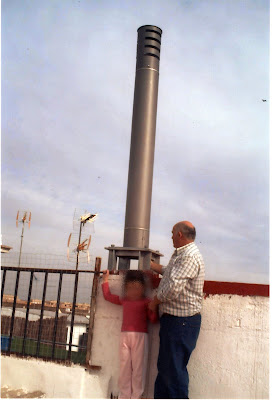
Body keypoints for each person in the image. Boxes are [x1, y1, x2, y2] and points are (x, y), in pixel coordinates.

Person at [148, 221, 205, 399]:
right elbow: (172, 273)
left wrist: (154, 302)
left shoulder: (188, 256)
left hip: (181, 323)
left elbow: (172, 288)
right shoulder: (183, 255)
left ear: (180, 234)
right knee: (167, 370)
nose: (171, 236)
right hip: (177, 322)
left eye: (172, 232)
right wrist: (152, 265)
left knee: (172, 373)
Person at [102, 269, 158, 399]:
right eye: (130, 288)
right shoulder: (124, 300)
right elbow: (108, 296)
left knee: (138, 369)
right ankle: (124, 396)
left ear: (143, 288)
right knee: (124, 367)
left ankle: (137, 396)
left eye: (137, 288)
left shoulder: (146, 302)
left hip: (140, 337)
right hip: (124, 337)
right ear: (125, 288)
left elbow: (154, 320)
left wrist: (153, 308)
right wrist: (105, 280)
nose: (133, 291)